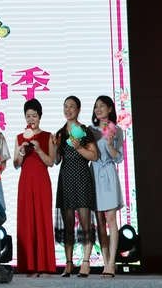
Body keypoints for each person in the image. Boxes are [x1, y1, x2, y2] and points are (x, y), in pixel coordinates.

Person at [54, 95, 99, 277]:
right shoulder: (60, 132)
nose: (68, 110)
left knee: (85, 221)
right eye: (65, 106)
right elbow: (56, 161)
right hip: (66, 178)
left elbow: (94, 156)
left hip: (81, 177)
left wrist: (79, 147)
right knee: (68, 224)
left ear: (78, 109)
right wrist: (55, 147)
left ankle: (86, 262)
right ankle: (69, 263)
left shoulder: (84, 131)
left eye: (72, 106)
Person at [12, 99, 56, 276]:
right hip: (25, 182)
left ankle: (44, 265)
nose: (31, 119)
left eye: (34, 116)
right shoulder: (19, 137)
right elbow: (16, 164)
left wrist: (38, 150)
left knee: (42, 220)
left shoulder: (48, 136)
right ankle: (28, 265)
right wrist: (21, 152)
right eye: (28, 116)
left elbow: (51, 162)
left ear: (40, 116)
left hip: (42, 182)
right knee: (27, 220)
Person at [91, 95, 124, 278]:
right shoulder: (90, 130)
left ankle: (112, 263)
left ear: (110, 109)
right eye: (96, 106)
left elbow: (118, 158)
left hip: (109, 174)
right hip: (94, 174)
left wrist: (110, 145)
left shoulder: (117, 130)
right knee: (100, 222)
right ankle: (105, 261)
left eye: (102, 106)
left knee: (111, 219)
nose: (98, 109)